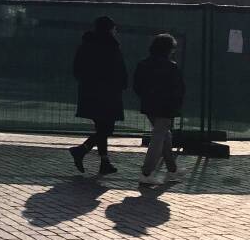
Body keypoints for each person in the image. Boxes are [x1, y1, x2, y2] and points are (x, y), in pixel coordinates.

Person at [69, 16, 127, 175]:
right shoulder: (112, 46)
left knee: (101, 127)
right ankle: (81, 150)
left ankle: (104, 161)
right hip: (108, 94)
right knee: (106, 128)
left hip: (90, 93)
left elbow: (77, 69)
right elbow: (119, 70)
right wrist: (122, 85)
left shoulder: (86, 45)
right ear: (110, 29)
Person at [133, 33, 186, 185]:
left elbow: (137, 86)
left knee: (164, 137)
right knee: (159, 138)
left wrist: (147, 97)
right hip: (166, 107)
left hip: (150, 105)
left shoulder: (143, 64)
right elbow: (178, 89)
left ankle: (172, 170)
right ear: (169, 49)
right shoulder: (171, 66)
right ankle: (146, 172)